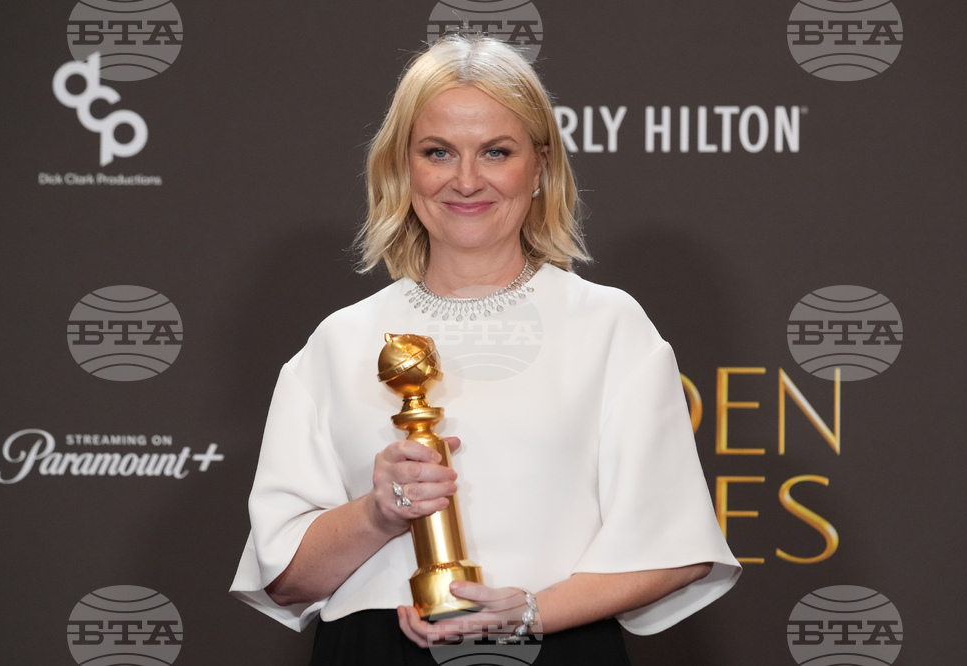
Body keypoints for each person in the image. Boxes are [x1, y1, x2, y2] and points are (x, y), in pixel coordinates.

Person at [231, 34, 741, 664]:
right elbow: (284, 580)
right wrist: (380, 511)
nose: (466, 180)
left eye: (496, 152)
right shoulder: (338, 343)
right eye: (437, 152)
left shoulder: (608, 326)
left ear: (541, 167)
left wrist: (527, 613)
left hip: (553, 647)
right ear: (401, 167)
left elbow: (677, 549)